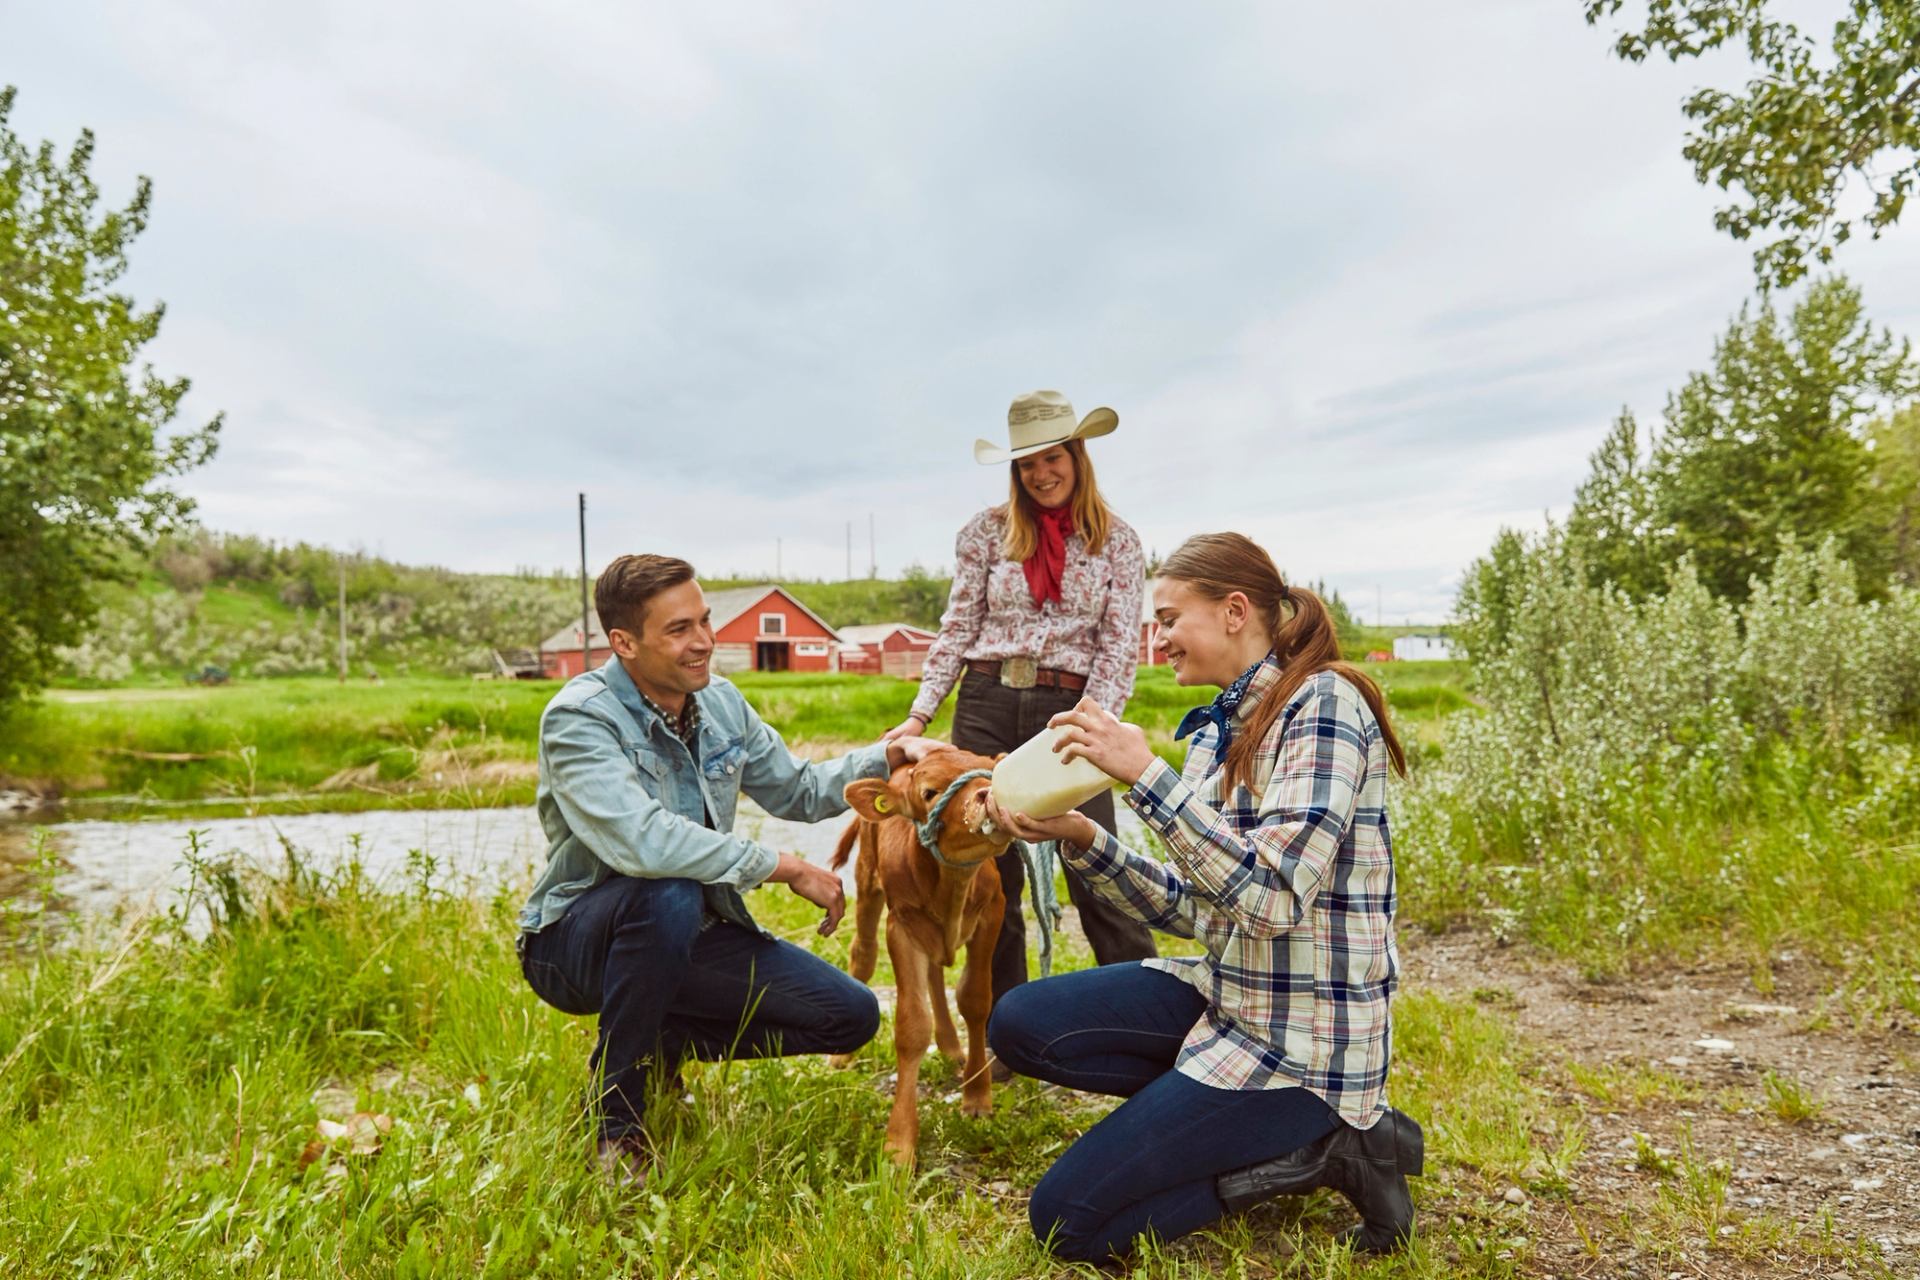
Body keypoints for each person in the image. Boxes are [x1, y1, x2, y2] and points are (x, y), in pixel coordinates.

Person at [983, 532, 1423, 1262]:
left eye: (1167, 618)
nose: (1158, 639)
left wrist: (1144, 778)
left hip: (1302, 1045)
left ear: (1234, 611)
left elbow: (1272, 898)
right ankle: (1207, 1114)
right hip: (1229, 998)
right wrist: (1083, 840)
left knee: (1067, 1223)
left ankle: (1325, 1147)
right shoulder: (1215, 734)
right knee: (1022, 1022)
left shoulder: (1324, 706)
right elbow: (1196, 907)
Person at [517, 553, 950, 1188]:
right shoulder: (579, 718)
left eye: (704, 620)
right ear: (624, 643)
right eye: (678, 630)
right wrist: (783, 867)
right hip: (576, 942)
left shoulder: (719, 702)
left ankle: (649, 1042)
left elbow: (798, 789)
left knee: (848, 1016)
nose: (703, 643)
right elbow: (642, 842)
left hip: (685, 930)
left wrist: (889, 756)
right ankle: (617, 1118)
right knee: (664, 891)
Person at [885, 390, 1156, 1022]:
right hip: (986, 700)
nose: (1041, 473)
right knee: (990, 870)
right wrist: (922, 714)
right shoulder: (984, 533)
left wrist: (1095, 724)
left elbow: (1118, 647)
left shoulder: (1117, 542)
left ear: (1077, 456)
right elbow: (957, 627)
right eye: (1026, 463)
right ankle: (1004, 1027)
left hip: (1072, 707)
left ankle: (1142, 1018)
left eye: (1052, 457)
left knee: (1097, 862)